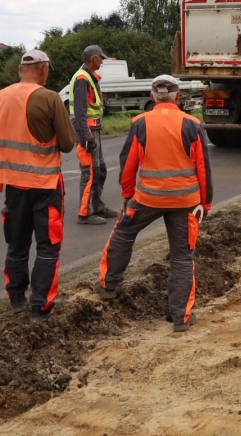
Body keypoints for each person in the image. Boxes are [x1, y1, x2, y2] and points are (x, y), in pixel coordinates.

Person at [94, 74, 212, 333]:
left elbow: (128, 164)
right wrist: (205, 203)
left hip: (146, 198)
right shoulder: (192, 124)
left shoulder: (140, 123)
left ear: (152, 97)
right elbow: (204, 169)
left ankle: (107, 286)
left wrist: (126, 194)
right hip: (185, 202)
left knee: (124, 234)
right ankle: (181, 317)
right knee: (182, 257)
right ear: (177, 96)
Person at [0, 50, 76, 321]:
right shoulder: (49, 97)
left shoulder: (1, 96)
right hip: (45, 184)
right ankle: (41, 304)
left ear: (21, 69)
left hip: (14, 185)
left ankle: (16, 296)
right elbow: (68, 143)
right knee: (48, 246)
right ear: (43, 70)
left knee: (17, 244)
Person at [70, 44, 118, 225]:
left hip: (93, 129)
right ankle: (85, 213)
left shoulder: (89, 77)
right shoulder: (83, 78)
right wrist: (87, 137)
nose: (102, 61)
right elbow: (80, 112)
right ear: (93, 58)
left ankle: (97, 205)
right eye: (101, 58)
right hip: (86, 132)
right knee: (90, 172)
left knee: (100, 170)